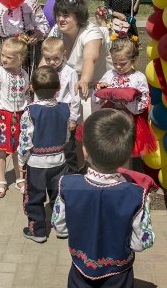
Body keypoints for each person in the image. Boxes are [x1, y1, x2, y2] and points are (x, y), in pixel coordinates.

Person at [52, 109, 155, 287]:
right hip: (118, 274)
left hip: (80, 270)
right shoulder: (136, 195)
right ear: (129, 152)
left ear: (84, 150)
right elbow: (141, 242)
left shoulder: (66, 185)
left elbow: (60, 228)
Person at [17, 66, 70, 243]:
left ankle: (38, 230)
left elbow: (25, 140)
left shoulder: (30, 111)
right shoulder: (65, 108)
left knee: (35, 197)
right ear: (58, 88)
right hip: (59, 161)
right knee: (58, 195)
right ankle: (62, 227)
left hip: (37, 164)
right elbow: (67, 135)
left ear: (32, 87)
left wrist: (21, 160)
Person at [95, 35, 158, 157]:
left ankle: (127, 172)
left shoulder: (139, 78)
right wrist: (101, 89)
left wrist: (126, 100)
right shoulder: (109, 74)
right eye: (115, 63)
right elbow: (97, 97)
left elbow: (143, 103)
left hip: (130, 120)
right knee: (111, 148)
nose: (118, 66)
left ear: (133, 60)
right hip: (111, 117)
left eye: (123, 63)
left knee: (127, 149)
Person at [0, 37, 30, 198]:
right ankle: (1, 180)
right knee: (1, 151)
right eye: (3, 55)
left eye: (9, 57)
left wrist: (28, 115)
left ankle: (20, 178)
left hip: (20, 118)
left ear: (20, 59)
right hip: (2, 118)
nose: (4, 59)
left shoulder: (24, 74)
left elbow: (26, 96)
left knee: (19, 150)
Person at [39, 37, 80, 172]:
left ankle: (72, 175)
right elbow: (37, 92)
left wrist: (73, 118)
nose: (52, 62)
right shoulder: (43, 72)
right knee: (50, 144)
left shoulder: (70, 72)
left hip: (64, 115)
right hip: (47, 114)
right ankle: (54, 171)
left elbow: (75, 97)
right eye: (48, 59)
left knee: (68, 147)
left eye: (56, 58)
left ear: (64, 54)